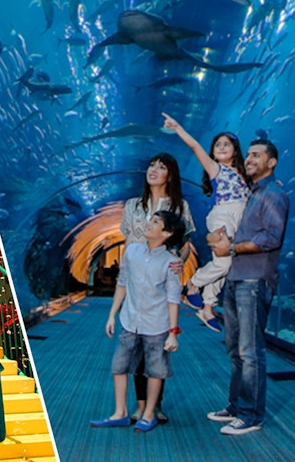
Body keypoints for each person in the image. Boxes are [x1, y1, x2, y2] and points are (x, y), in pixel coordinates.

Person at [206, 138, 289, 436]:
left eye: (257, 155)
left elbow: (271, 238)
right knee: (234, 349)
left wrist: (231, 248)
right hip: (236, 277)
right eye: (249, 155)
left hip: (254, 279)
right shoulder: (250, 193)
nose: (250, 159)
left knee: (250, 350)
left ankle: (251, 415)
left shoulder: (274, 194)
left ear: (272, 162)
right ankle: (236, 406)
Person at [90, 210, 185, 433]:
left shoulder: (171, 263)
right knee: (119, 366)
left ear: (167, 233)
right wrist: (112, 314)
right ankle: (120, 413)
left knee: (155, 370)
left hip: (157, 324)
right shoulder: (132, 251)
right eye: (150, 219)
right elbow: (122, 283)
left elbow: (173, 299)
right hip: (130, 320)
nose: (148, 223)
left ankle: (149, 414)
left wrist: (173, 333)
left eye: (155, 222)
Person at [119, 152, 194, 424]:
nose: (153, 170)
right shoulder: (132, 205)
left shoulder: (180, 207)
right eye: (151, 165)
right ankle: (141, 406)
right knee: (135, 347)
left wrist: (179, 262)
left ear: (170, 176)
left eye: (161, 167)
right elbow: (128, 239)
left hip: (161, 281)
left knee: (157, 346)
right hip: (136, 280)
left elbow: (185, 244)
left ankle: (155, 405)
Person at [163, 113, 250, 332]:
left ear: (235, 150)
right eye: (217, 144)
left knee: (226, 265)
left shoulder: (244, 174)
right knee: (224, 264)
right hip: (223, 216)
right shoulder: (216, 169)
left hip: (239, 219)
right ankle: (193, 283)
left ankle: (208, 307)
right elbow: (194, 146)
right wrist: (178, 127)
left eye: (226, 144)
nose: (221, 147)